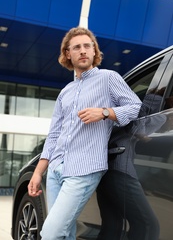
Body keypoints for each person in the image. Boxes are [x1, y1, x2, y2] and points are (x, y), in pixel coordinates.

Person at [27, 26, 142, 240]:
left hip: (84, 169)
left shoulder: (109, 78)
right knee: (65, 233)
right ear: (67, 54)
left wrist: (105, 112)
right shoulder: (65, 92)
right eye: (77, 47)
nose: (83, 51)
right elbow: (54, 135)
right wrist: (38, 172)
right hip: (56, 170)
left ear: (94, 51)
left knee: (51, 233)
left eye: (87, 46)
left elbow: (135, 106)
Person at [96, 100, 162, 240]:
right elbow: (139, 129)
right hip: (120, 167)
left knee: (112, 225)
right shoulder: (154, 107)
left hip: (107, 166)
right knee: (147, 225)